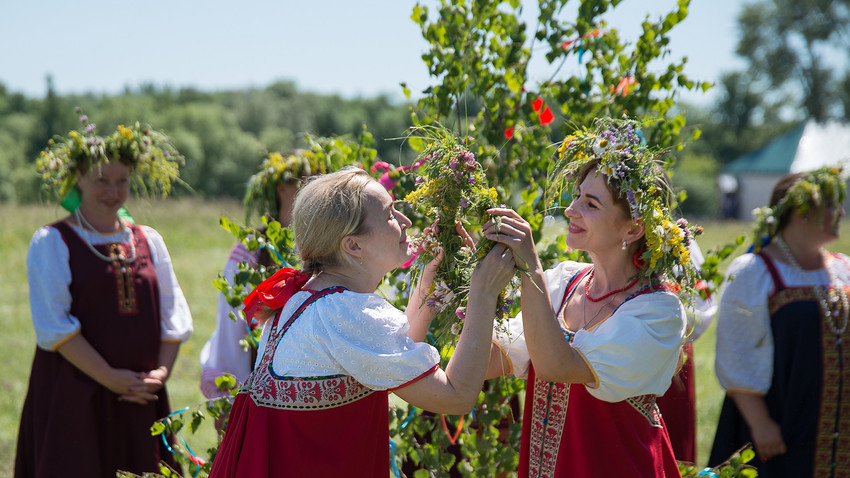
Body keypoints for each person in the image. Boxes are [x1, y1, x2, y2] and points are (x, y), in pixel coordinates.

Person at [208, 167, 517, 477]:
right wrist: (483, 293)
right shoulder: (344, 314)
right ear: (353, 245)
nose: (406, 222)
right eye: (390, 215)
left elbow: (388, 355)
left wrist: (427, 288)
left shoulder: (309, 298)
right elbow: (456, 396)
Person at [484, 117, 697, 477]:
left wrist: (530, 268)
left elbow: (557, 367)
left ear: (632, 228)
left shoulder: (657, 311)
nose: (571, 210)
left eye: (591, 204)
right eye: (577, 197)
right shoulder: (562, 284)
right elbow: (489, 364)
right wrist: (471, 283)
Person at [15, 118, 193, 477]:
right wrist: (110, 377)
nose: (113, 191)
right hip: (75, 392)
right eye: (102, 181)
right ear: (78, 178)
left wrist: (159, 375)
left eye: (122, 181)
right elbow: (54, 326)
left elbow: (174, 316)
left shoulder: (148, 239)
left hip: (141, 395)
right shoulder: (53, 241)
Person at [709, 166, 850, 477]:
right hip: (780, 426)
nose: (840, 211)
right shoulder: (754, 271)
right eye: (830, 205)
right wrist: (760, 422)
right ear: (801, 211)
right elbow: (737, 353)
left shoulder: (844, 269)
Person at [199, 150, 320, 401]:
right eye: (301, 179)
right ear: (279, 188)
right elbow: (232, 321)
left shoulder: (330, 243)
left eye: (320, 179)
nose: (311, 187)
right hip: (262, 383)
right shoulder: (252, 248)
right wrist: (230, 394)